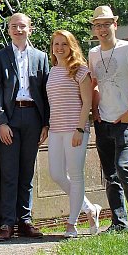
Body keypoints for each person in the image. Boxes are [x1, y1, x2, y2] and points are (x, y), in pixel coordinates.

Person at [89, 5, 128, 232]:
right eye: (98, 25)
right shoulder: (93, 53)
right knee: (110, 174)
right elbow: (94, 85)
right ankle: (119, 223)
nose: (102, 29)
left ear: (115, 25)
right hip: (103, 120)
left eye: (106, 24)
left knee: (123, 166)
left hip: (127, 120)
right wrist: (95, 111)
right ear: (94, 29)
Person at [0, 13, 49, 241]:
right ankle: (7, 222)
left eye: (22, 26)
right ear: (8, 30)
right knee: (8, 172)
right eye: (14, 26)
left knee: (27, 172)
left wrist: (45, 123)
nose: (18, 30)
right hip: (10, 118)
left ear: (30, 29)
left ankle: (25, 220)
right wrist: (1, 122)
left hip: (33, 118)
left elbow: (46, 92)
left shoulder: (41, 56)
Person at [47, 30, 102, 238]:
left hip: (75, 129)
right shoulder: (52, 71)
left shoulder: (80, 70)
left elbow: (87, 102)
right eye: (56, 44)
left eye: (64, 44)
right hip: (55, 130)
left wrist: (80, 129)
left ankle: (72, 223)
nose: (60, 48)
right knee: (56, 174)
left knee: (76, 176)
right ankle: (90, 209)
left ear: (72, 46)